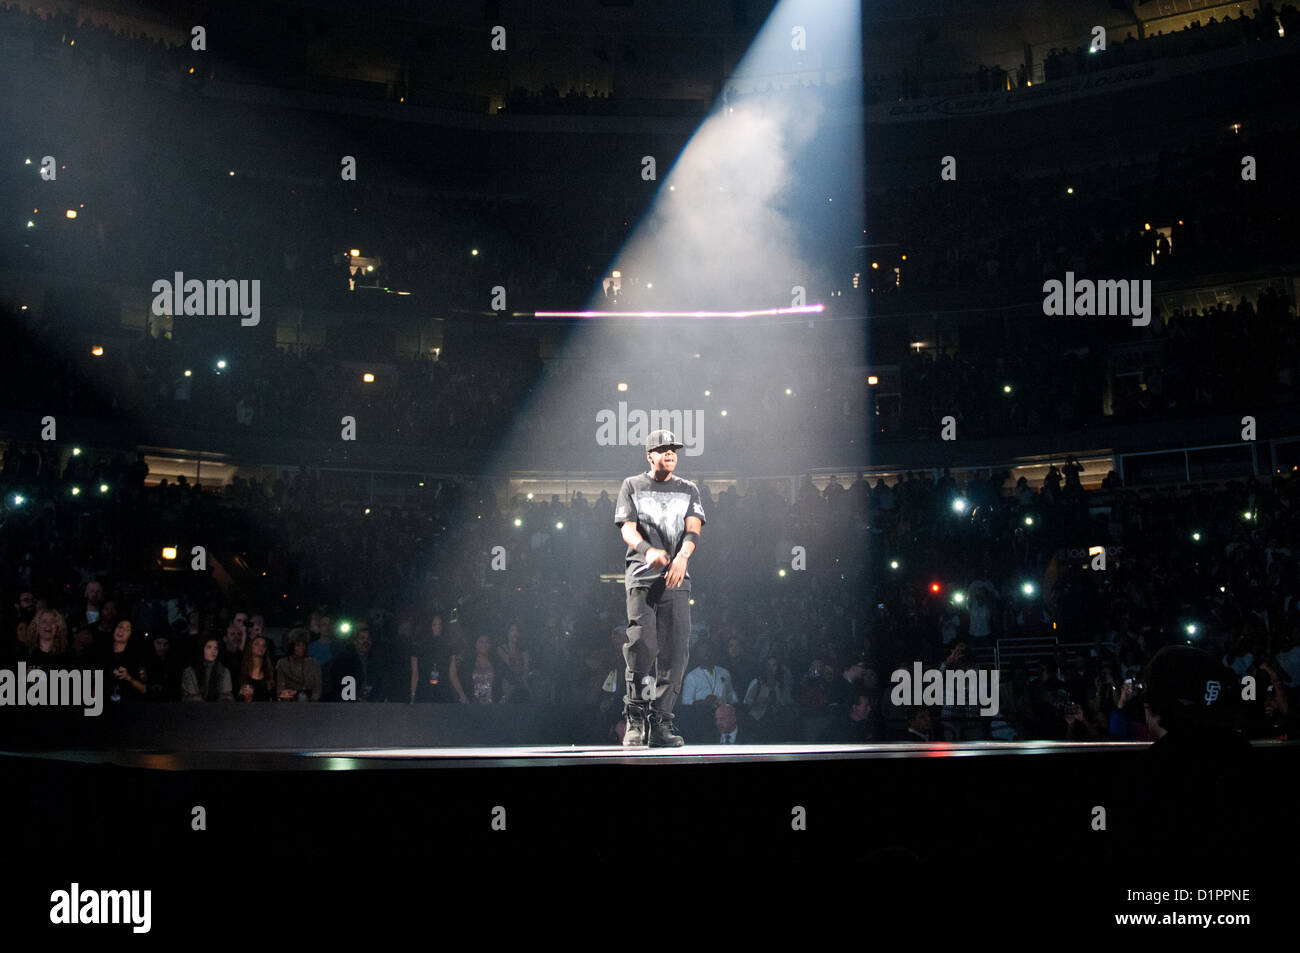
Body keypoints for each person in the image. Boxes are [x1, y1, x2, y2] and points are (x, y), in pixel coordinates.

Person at [614, 429, 706, 747]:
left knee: (676, 653)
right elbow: (627, 529)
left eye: (674, 449)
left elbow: (693, 528)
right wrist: (647, 550)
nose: (670, 453)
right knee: (642, 648)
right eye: (663, 449)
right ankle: (636, 718)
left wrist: (682, 556)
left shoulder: (689, 489)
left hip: (676, 580)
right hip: (641, 578)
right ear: (649, 455)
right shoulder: (632, 486)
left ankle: (661, 722)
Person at [276, 628, 323, 701]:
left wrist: (313, 702)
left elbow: (317, 687)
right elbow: (280, 687)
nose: (301, 648)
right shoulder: (283, 663)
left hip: (311, 704)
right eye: (298, 645)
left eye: (303, 645)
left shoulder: (314, 664)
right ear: (292, 646)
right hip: (289, 703)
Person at [182, 636, 234, 701]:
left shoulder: (223, 671)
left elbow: (226, 696)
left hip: (218, 709)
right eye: (209, 647)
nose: (213, 651)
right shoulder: (190, 671)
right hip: (195, 709)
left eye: (216, 648)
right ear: (201, 649)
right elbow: (192, 697)